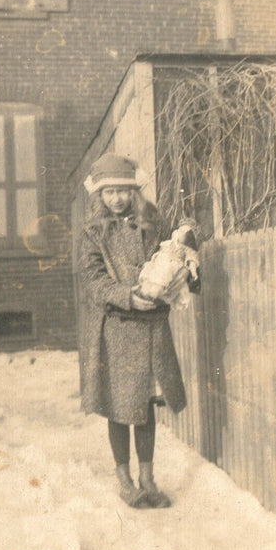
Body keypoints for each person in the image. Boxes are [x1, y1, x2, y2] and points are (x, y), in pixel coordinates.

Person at [78, 153, 191, 509]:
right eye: (109, 192)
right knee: (119, 407)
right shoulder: (93, 233)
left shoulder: (152, 222)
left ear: (134, 192)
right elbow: (93, 281)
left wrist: (185, 258)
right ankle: (124, 478)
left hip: (153, 327)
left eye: (123, 191)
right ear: (99, 195)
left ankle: (148, 478)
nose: (116, 199)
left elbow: (182, 238)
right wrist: (128, 296)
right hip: (117, 328)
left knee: (144, 406)